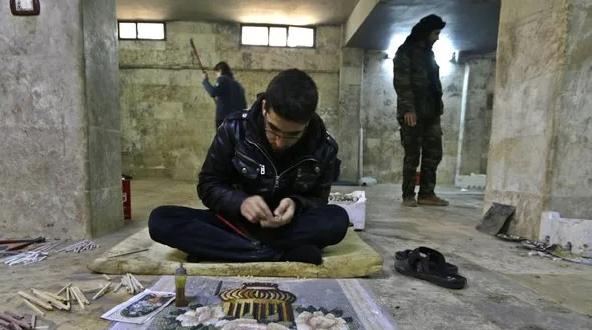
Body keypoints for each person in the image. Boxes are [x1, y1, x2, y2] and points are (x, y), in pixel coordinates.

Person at [150, 69, 350, 265]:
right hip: (235, 223)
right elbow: (208, 185)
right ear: (264, 107)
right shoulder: (234, 128)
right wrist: (240, 202)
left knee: (338, 219)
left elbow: (319, 201)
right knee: (161, 219)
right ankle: (278, 253)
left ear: (307, 122)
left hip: (289, 227)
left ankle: (236, 250)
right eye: (273, 129)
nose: (279, 142)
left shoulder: (324, 147)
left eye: (292, 135)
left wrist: (296, 204)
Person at [393, 14, 449, 207]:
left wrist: (437, 108)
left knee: (434, 153)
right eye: (436, 33)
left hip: (431, 113)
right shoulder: (405, 52)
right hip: (413, 113)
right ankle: (408, 195)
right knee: (412, 155)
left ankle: (426, 193)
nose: (437, 37)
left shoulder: (429, 54)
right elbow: (402, 82)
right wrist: (408, 109)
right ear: (426, 33)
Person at [202, 61, 248, 129]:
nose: (216, 76)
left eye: (216, 74)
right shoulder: (237, 85)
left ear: (220, 71)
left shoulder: (222, 79)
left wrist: (205, 81)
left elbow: (213, 92)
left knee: (222, 139)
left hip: (224, 120)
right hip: (237, 120)